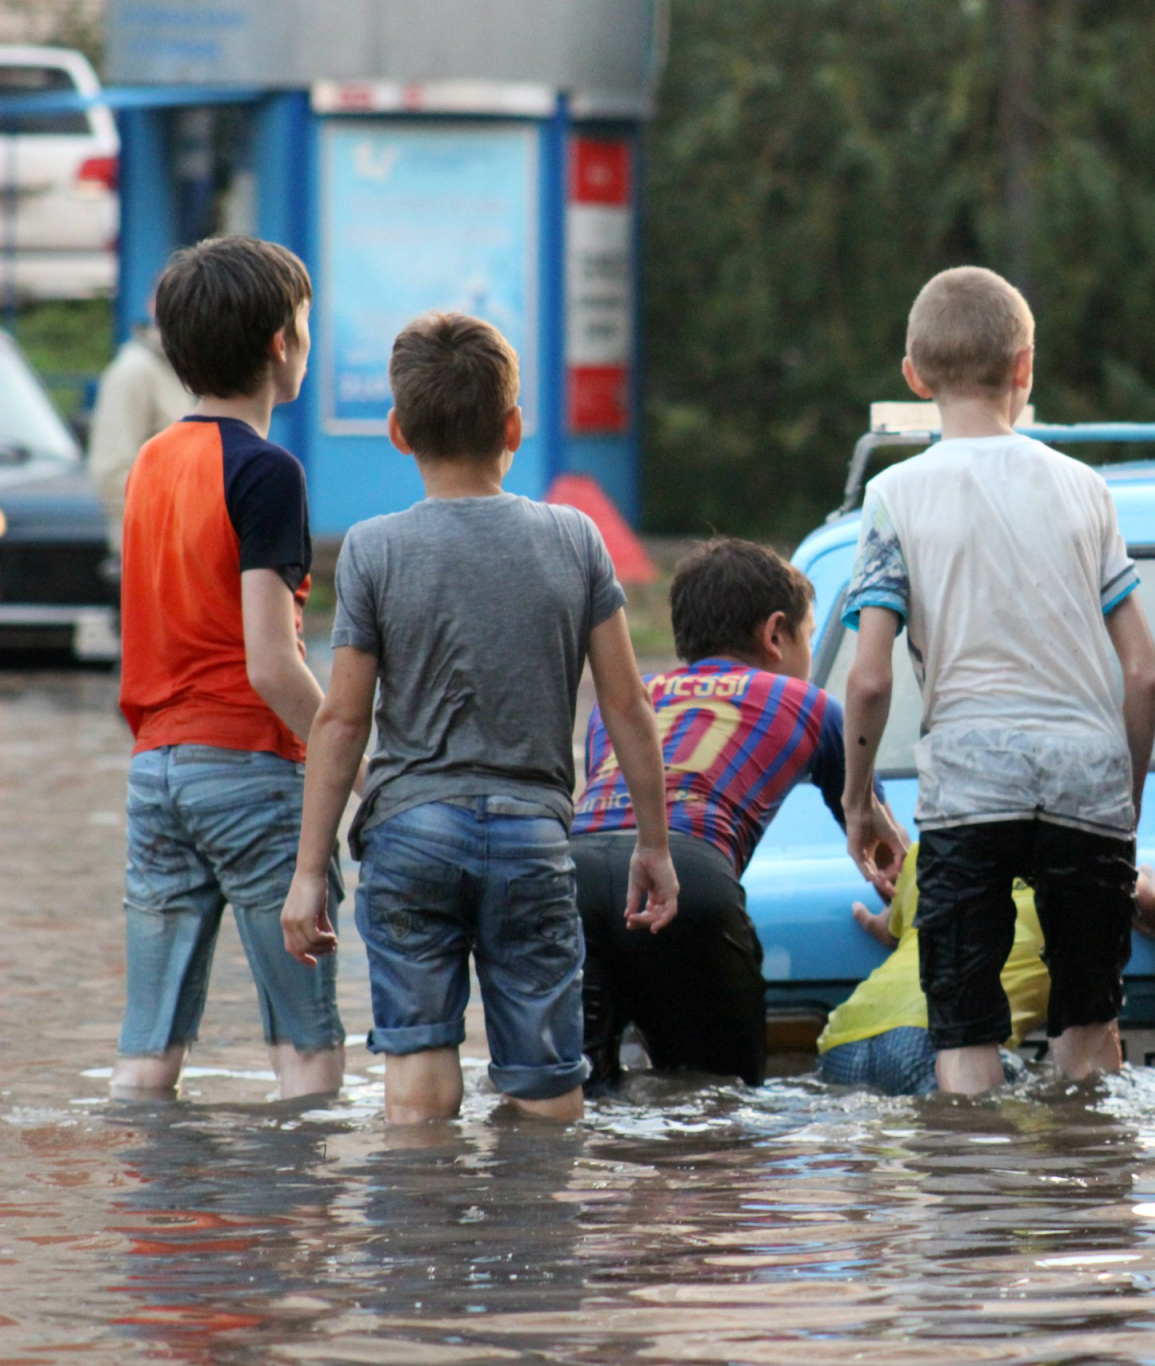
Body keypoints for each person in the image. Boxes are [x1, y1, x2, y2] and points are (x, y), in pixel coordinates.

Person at [280, 311, 678, 1125]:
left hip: (411, 838)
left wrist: (310, 869)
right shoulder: (575, 538)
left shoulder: (373, 549)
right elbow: (627, 706)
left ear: (397, 432)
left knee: (418, 1091)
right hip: (534, 837)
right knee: (546, 1093)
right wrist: (653, 842)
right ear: (515, 426)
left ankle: (422, 1242)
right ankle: (534, 1237)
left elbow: (342, 723)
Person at [839, 265, 1155, 1097]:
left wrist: (856, 798)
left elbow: (870, 680)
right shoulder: (1086, 489)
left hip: (970, 787)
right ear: (1026, 367)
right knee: (1091, 1038)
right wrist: (1119, 805)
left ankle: (976, 1215)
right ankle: (1092, 1214)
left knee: (964, 1038)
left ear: (913, 377)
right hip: (1087, 775)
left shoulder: (892, 495)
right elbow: (1145, 669)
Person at [110, 235, 344, 1102]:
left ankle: (157, 1222)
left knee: (147, 1055)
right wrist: (349, 756)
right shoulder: (268, 472)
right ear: (282, 343)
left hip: (154, 774)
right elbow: (272, 664)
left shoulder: (150, 464)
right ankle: (296, 1231)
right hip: (248, 769)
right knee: (307, 1053)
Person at [571, 537, 873, 1089]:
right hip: (689, 877)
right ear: (774, 634)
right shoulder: (809, 704)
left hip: (569, 874)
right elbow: (875, 842)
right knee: (718, 1101)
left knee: (573, 1095)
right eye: (807, 637)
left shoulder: (626, 703)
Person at [818, 845, 1155, 1095]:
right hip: (932, 1042)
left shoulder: (935, 848)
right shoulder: (1079, 856)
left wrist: (874, 918)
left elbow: (892, 928)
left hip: (842, 1041)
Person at [88, 310, 194, 552]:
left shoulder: (185, 370)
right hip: (153, 555)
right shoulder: (133, 373)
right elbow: (112, 473)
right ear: (156, 306)